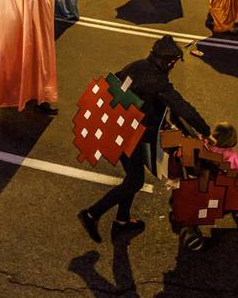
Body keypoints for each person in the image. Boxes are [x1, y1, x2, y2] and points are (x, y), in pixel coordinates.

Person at [77, 36, 210, 242]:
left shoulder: (136, 65)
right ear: (169, 62)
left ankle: (122, 220)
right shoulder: (158, 82)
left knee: (132, 177)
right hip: (132, 136)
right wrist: (206, 130)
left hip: (117, 127)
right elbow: (183, 108)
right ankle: (92, 213)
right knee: (135, 181)